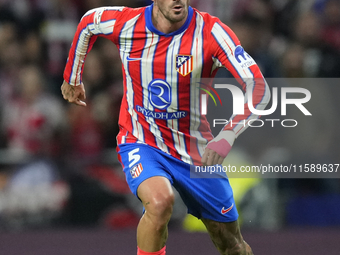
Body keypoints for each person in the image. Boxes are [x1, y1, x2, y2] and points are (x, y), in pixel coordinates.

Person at [61, 0, 270, 254]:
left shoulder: (212, 32)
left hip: (196, 151)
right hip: (141, 139)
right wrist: (72, 77)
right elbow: (88, 22)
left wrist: (228, 133)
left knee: (231, 243)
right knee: (160, 202)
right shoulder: (127, 24)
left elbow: (259, 88)